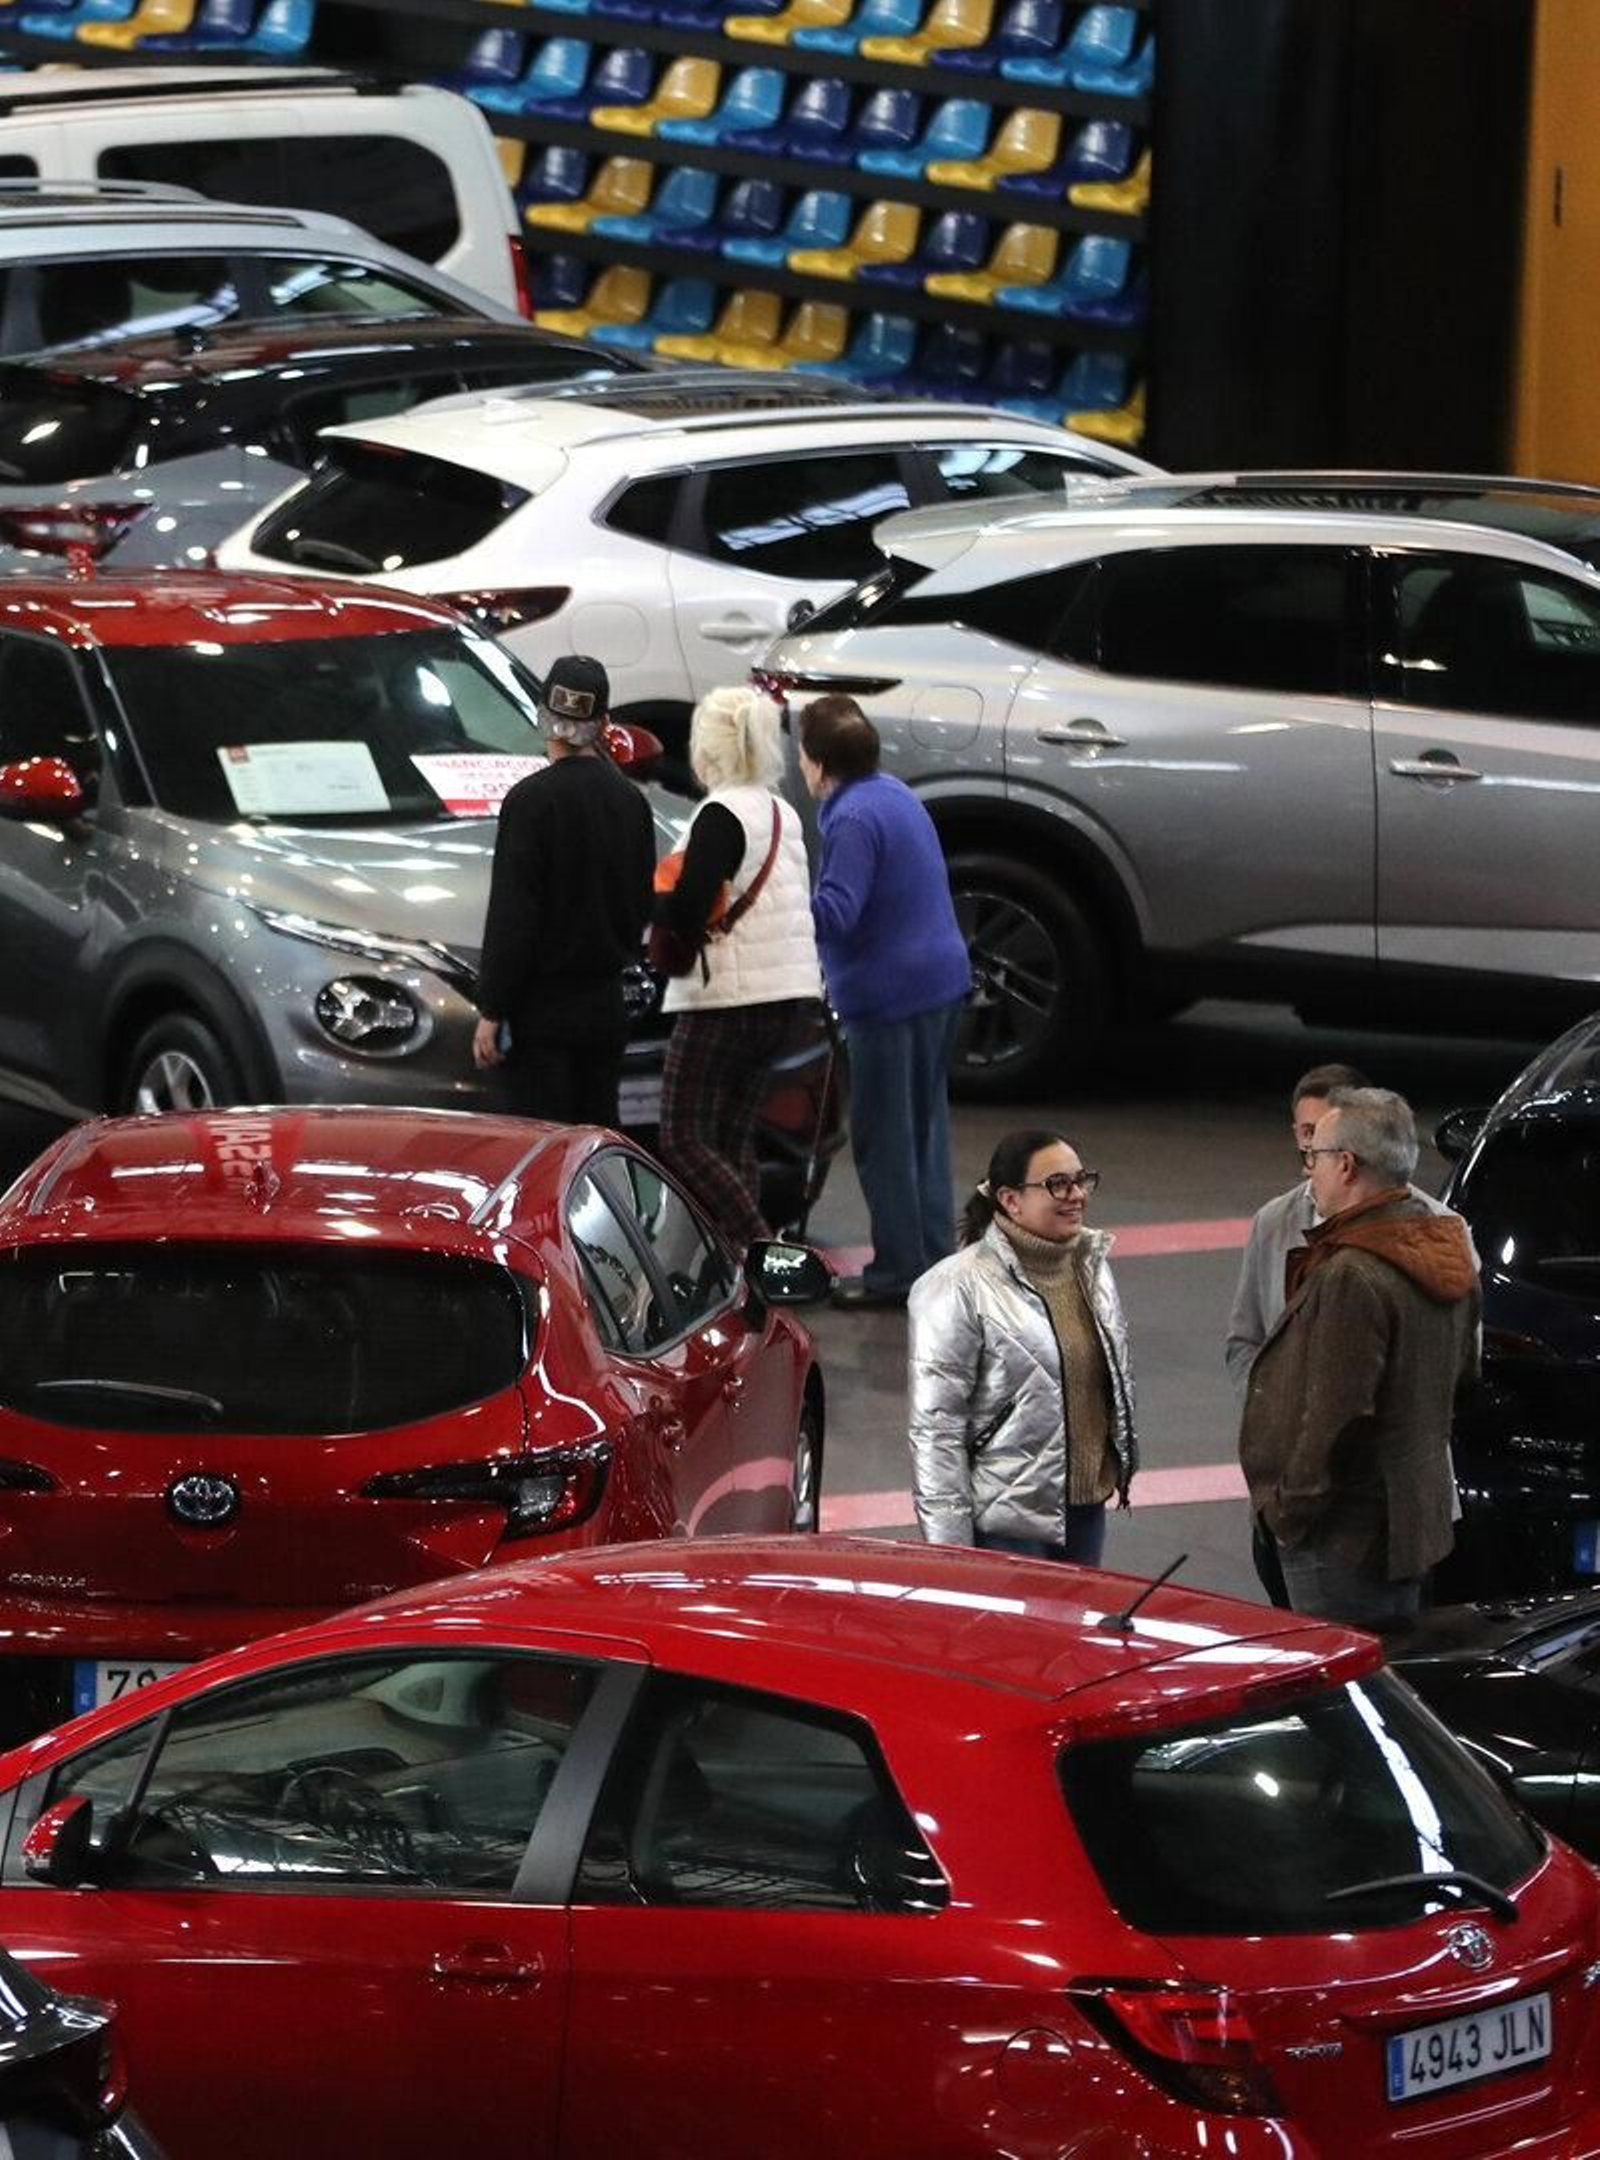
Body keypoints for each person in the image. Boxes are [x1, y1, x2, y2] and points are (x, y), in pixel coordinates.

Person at [1226, 1060, 1470, 1604]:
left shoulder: (1351, 1274)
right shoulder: (1446, 1242)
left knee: (1338, 1684)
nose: (1308, 1170)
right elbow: (1464, 1373)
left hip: (1341, 1537)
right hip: (1410, 1525)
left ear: (1347, 1165)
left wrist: (1291, 1509)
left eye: (1315, 1157)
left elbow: (1336, 1414)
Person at [797, 694, 970, 1310]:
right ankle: (931, 1258)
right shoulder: (895, 795)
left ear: (818, 763)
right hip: (942, 983)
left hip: (889, 998)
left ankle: (897, 1271)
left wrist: (780, 905)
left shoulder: (849, 820)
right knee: (924, 1128)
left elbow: (839, 910)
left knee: (883, 1137)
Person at [907, 1129, 1137, 1566]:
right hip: (1002, 1526)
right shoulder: (954, 1287)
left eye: (1081, 1179)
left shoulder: (1092, 1267)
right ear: (1011, 1200)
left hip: (1084, 1510)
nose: (1076, 1195)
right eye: (1057, 1184)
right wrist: (951, 1554)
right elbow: (936, 1431)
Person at [654, 685, 823, 1250]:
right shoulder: (781, 811)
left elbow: (690, 907)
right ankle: (733, 1265)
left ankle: (758, 1252)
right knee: (731, 1137)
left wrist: (647, 898)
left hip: (726, 997)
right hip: (787, 994)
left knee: (682, 1136)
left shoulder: (720, 814)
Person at [472, 655, 655, 1126]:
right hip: (607, 1008)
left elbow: (515, 916)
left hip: (543, 1015)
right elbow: (639, 907)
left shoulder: (530, 802)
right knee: (596, 1143)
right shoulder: (630, 802)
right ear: (605, 723)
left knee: (547, 1149)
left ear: (542, 716)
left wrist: (492, 1007)